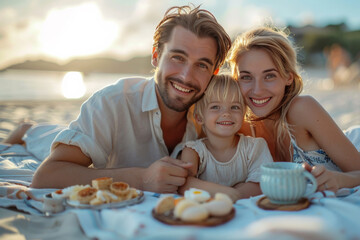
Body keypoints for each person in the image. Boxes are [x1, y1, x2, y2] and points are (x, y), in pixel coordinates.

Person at [30, 5, 232, 193]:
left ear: (214, 72)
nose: (186, 77)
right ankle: (26, 129)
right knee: (39, 136)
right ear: (156, 56)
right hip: (58, 134)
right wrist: (142, 178)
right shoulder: (111, 102)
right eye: (177, 58)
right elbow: (45, 177)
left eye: (202, 65)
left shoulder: (218, 116)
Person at [227, 27, 360, 193]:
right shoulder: (239, 126)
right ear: (235, 80)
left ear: (288, 77)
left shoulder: (302, 109)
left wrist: (337, 179)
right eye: (246, 77)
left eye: (269, 76)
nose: (257, 90)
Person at [178, 74, 273, 201]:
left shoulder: (255, 147)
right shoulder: (194, 151)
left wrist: (218, 193)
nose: (226, 114)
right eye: (215, 107)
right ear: (199, 117)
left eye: (235, 107)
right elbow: (185, 184)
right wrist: (228, 193)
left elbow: (261, 185)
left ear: (243, 114)